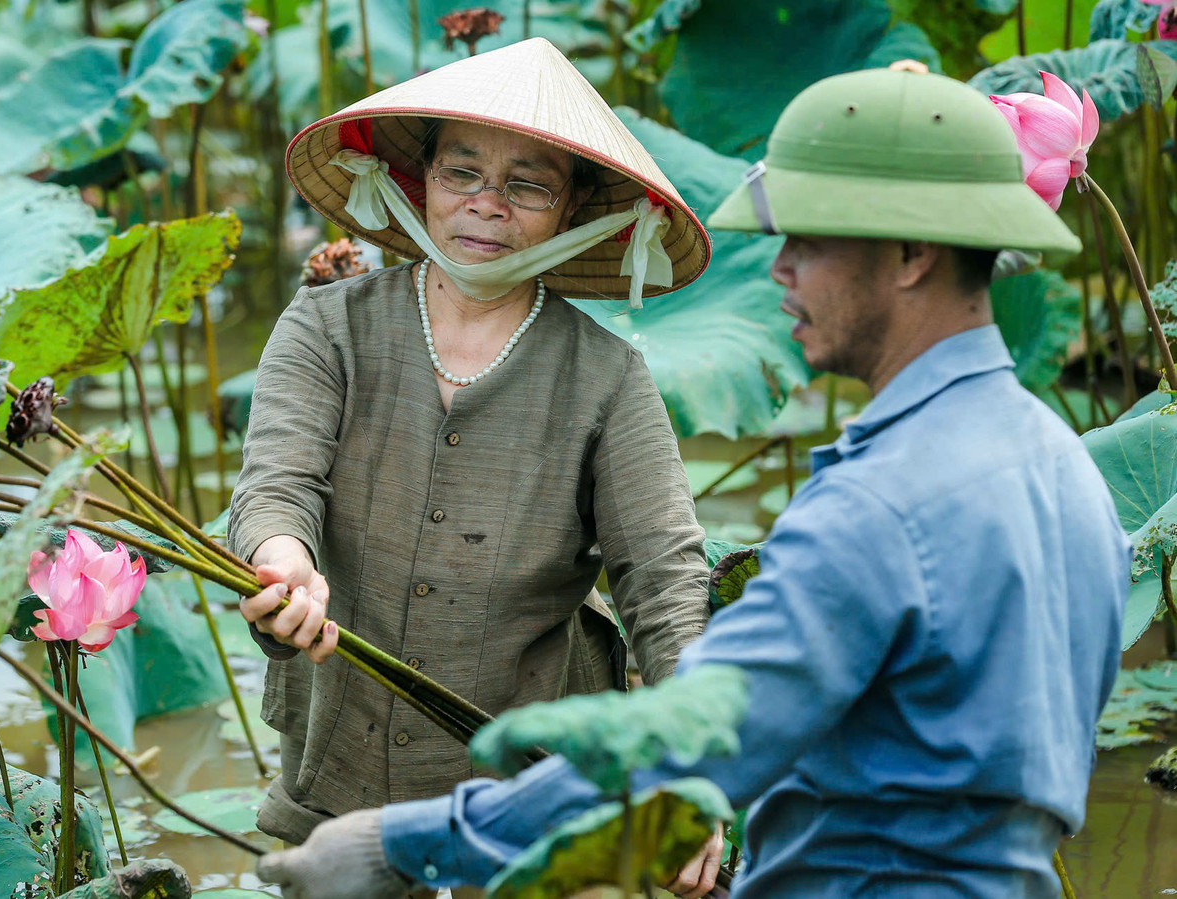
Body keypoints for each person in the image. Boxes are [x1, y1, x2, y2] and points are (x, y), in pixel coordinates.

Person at [254, 66, 1132, 898]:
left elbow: (698, 734)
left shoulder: (874, 505)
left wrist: (395, 844)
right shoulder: (1070, 475)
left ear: (908, 255)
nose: (779, 271)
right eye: (462, 172)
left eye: (807, 244)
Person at [227, 37, 718, 858]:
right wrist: (285, 566)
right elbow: (277, 486)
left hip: (526, 794)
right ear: (422, 183)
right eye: (462, 174)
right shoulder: (326, 325)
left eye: (527, 185)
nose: (488, 204)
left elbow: (664, 583)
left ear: (575, 212)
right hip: (334, 772)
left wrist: (686, 772)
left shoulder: (609, 378)